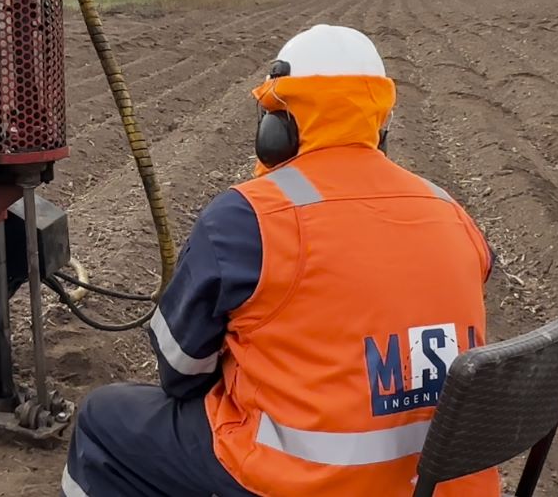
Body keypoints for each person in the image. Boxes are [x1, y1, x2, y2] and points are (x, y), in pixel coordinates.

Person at [61, 25, 500, 497]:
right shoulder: (451, 212)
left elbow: (179, 368)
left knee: (103, 419)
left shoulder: (248, 218)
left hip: (300, 483)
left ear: (279, 130)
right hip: (442, 485)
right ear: (381, 123)